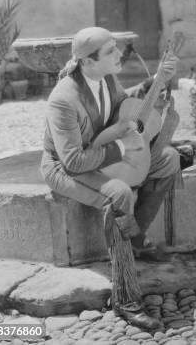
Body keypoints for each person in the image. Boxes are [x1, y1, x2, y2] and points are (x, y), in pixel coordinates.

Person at [40, 27, 182, 330]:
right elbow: (74, 161)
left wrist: (156, 81)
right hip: (65, 167)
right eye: (110, 52)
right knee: (118, 192)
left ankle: (137, 237)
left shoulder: (105, 77)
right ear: (88, 62)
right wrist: (120, 147)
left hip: (102, 150)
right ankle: (126, 299)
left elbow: (122, 103)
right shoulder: (63, 99)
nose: (119, 54)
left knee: (169, 160)